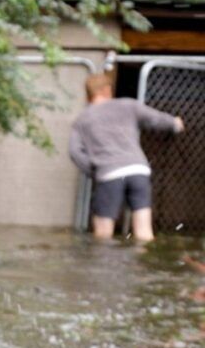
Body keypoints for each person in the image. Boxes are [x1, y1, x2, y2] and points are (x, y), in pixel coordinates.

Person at [69, 71, 185, 243]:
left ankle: (103, 266)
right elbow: (157, 119)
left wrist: (95, 170)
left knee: (103, 233)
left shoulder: (82, 119)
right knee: (144, 233)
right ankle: (142, 266)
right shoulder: (128, 105)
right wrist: (175, 123)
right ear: (108, 90)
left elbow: (75, 152)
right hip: (139, 170)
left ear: (88, 94)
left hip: (109, 174)